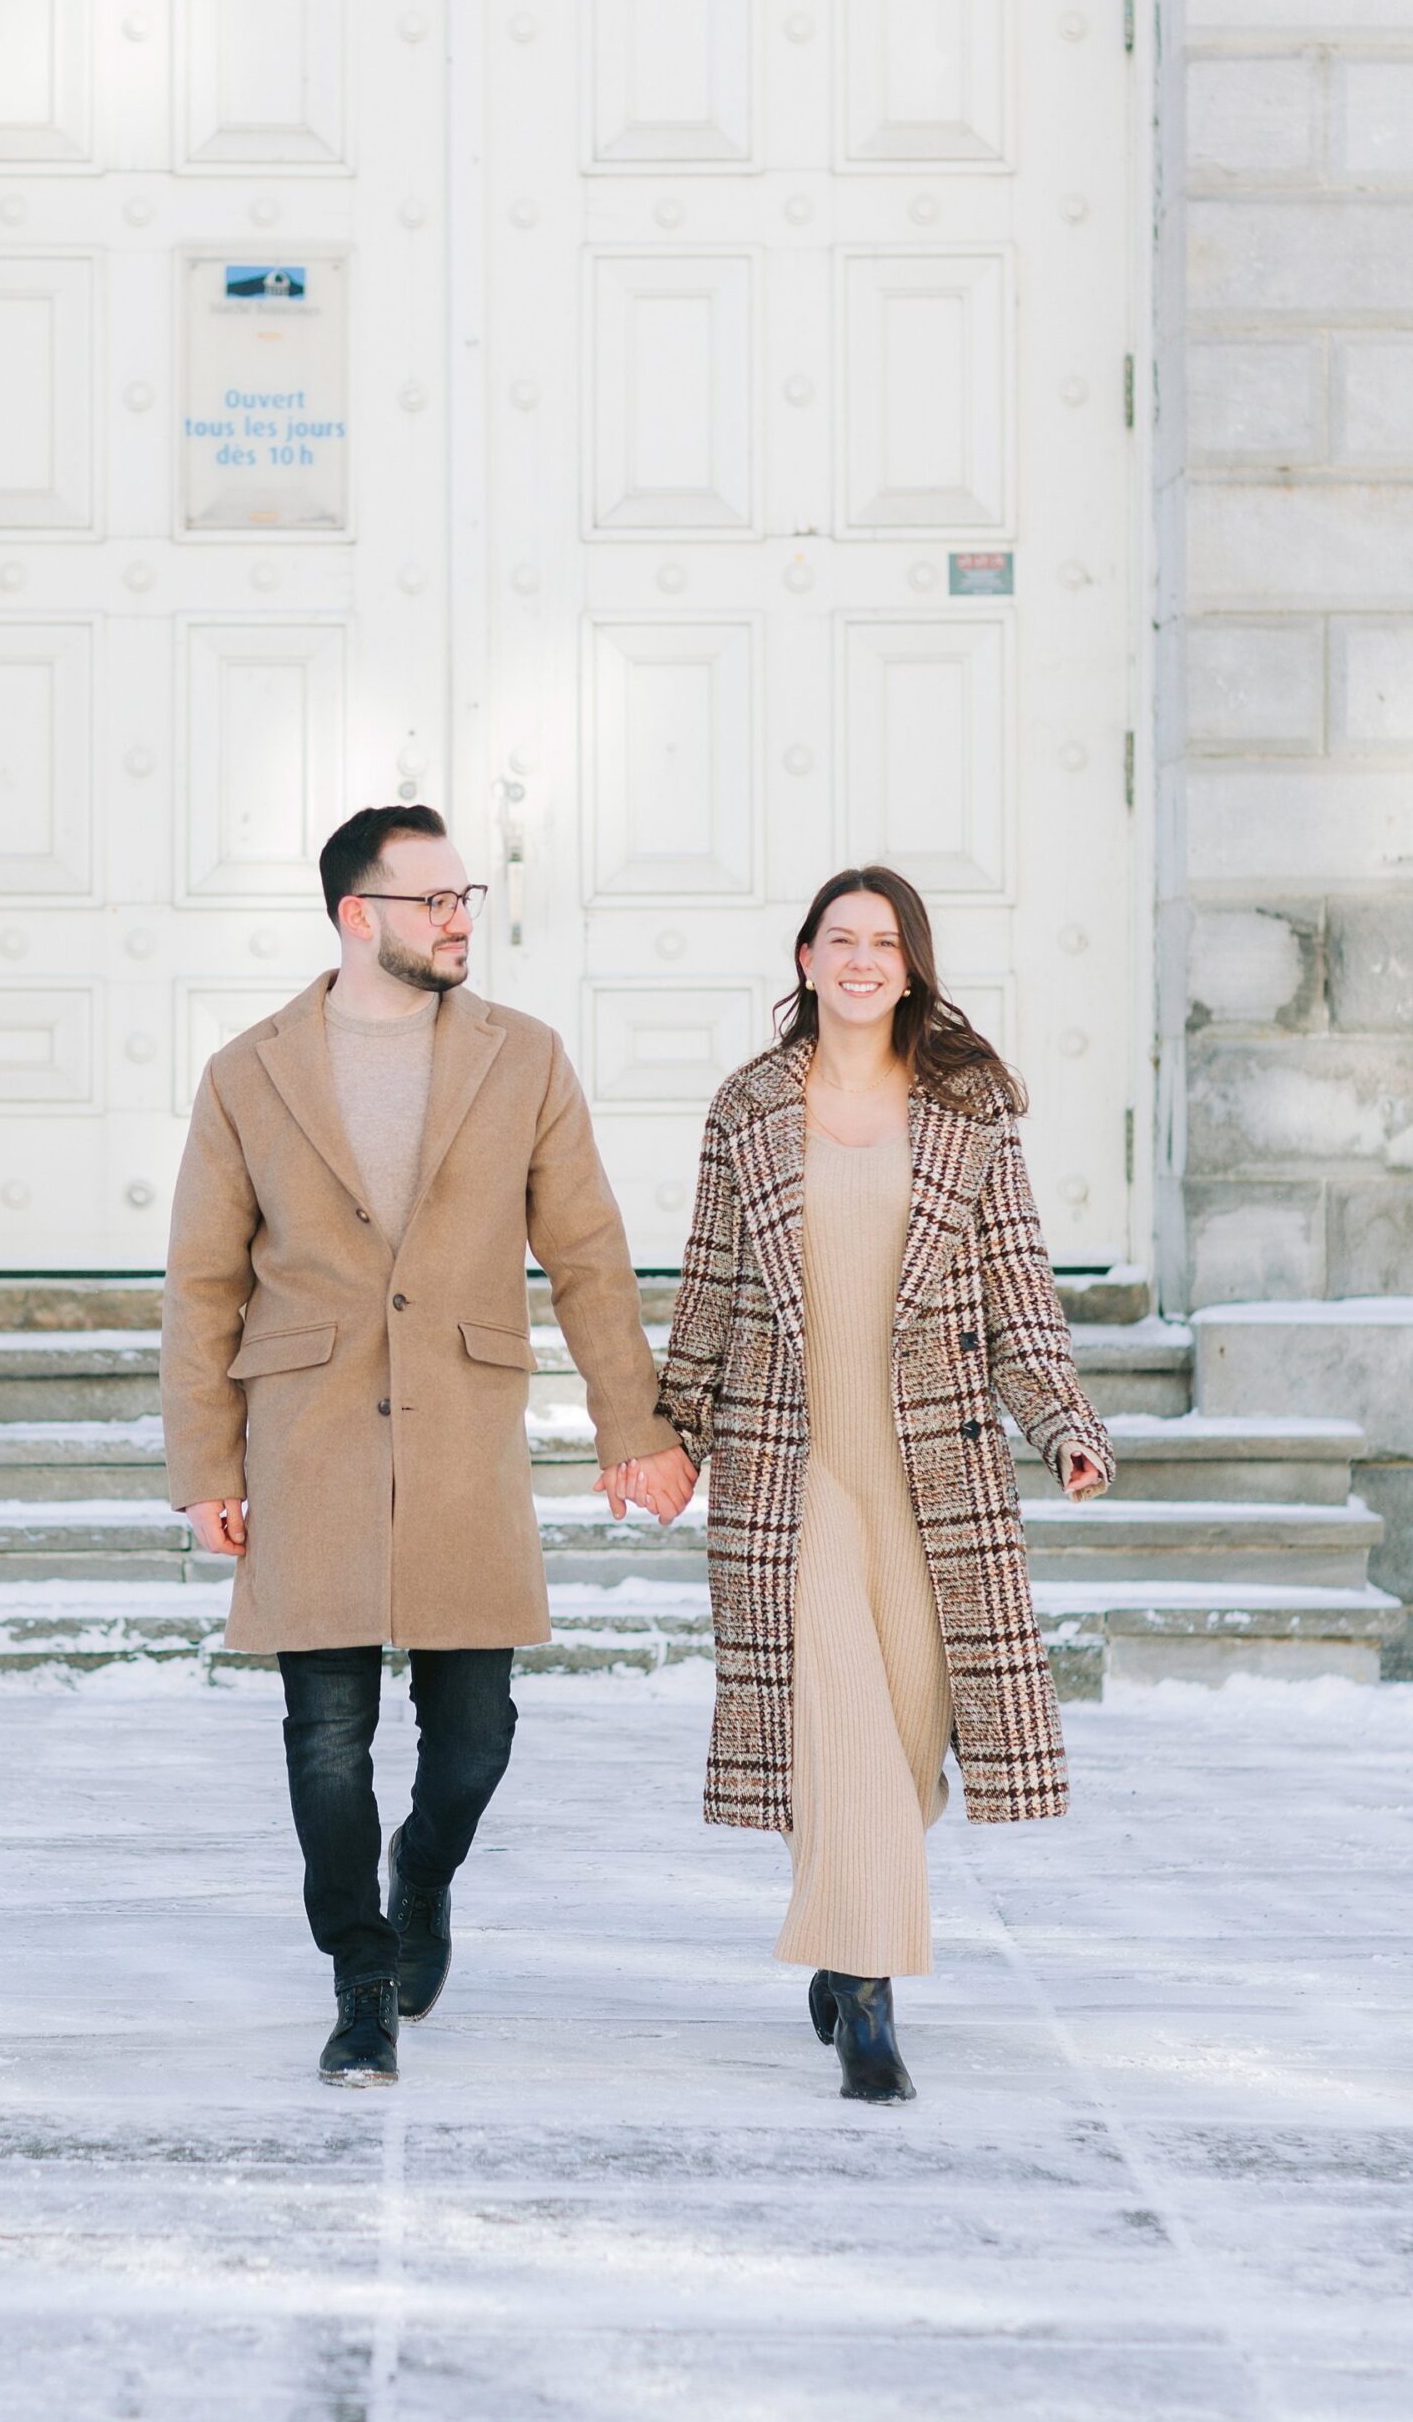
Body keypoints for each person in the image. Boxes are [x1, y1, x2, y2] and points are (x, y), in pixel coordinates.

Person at [161, 805, 695, 2086]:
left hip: (462, 1434)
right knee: (325, 1739)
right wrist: (206, 1466)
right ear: (361, 916)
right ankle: (362, 1975)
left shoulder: (525, 1058)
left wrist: (637, 1425)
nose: (462, 918)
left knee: (476, 1741)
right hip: (310, 1437)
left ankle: (425, 1870)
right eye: (436, 899)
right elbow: (201, 1284)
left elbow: (586, 1255)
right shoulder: (250, 1070)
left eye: (469, 897)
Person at [656, 866, 1113, 2104]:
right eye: (839, 939)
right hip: (790, 1468)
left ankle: (844, 1906)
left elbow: (1021, 1292)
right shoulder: (747, 1108)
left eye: (885, 942)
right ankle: (868, 2002)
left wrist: (1061, 1420)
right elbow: (707, 1287)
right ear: (805, 959)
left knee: (908, 1741)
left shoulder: (970, 1110)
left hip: (930, 1470)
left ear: (910, 967)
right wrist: (670, 1430)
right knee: (836, 1720)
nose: (862, 959)